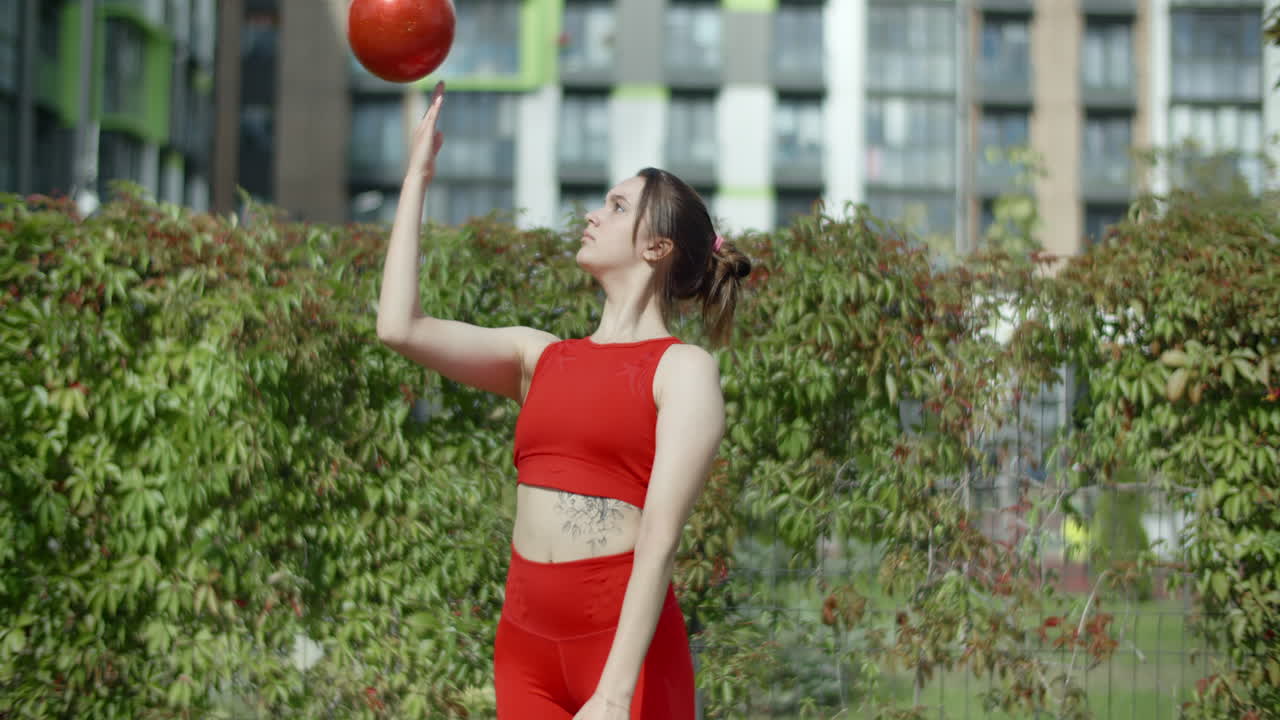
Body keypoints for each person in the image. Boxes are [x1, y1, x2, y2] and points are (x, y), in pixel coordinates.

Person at [376, 82, 752, 720]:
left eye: (616, 205)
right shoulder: (538, 356)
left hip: (622, 659)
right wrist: (416, 176)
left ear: (655, 246)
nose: (593, 215)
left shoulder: (684, 370)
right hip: (524, 649)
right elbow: (399, 327)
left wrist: (611, 694)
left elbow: (660, 538)